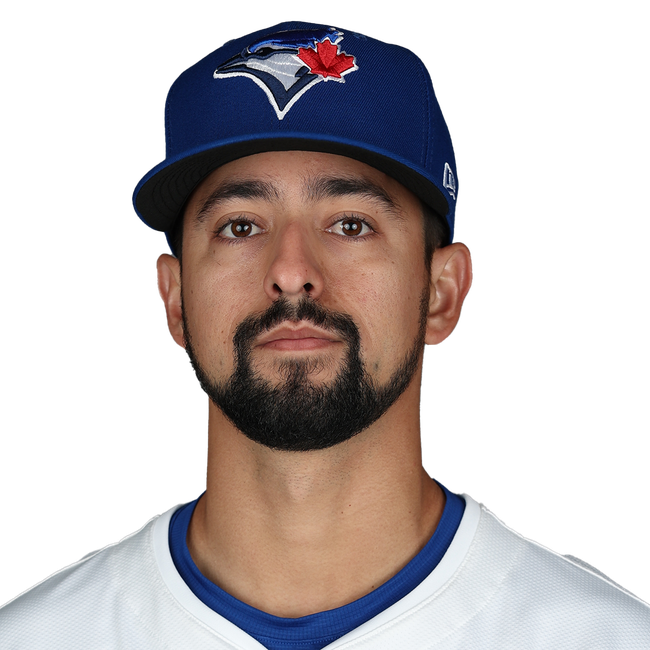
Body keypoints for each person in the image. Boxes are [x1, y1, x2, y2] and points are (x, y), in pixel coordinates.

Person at [1, 20, 648, 650]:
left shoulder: (607, 638)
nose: (291, 273)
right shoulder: (35, 638)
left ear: (442, 292)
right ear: (173, 298)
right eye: (240, 226)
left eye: (350, 224)